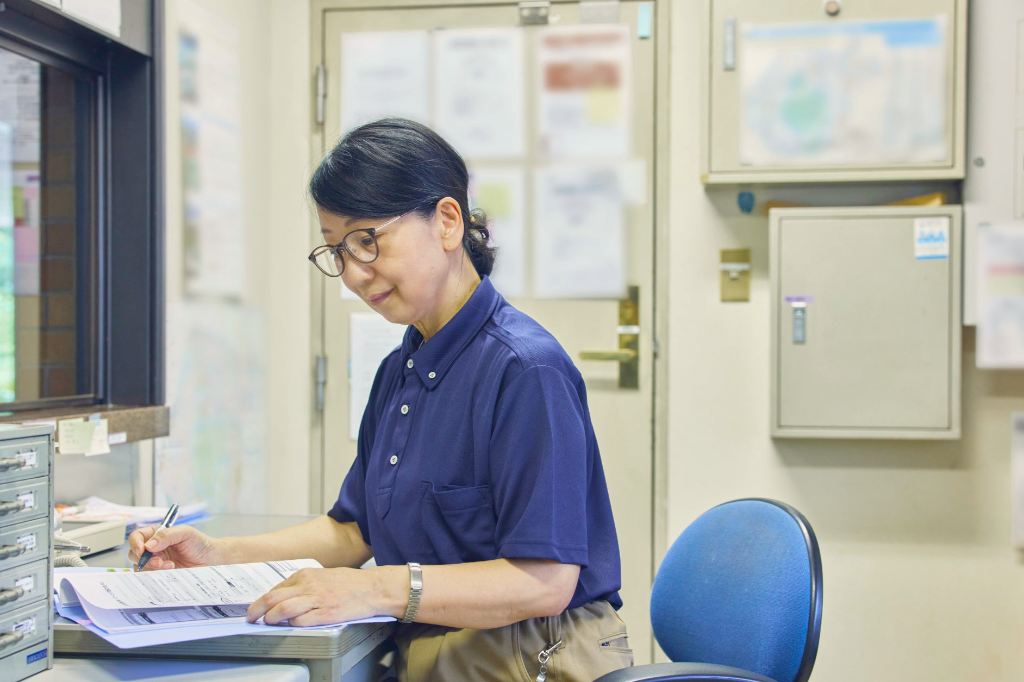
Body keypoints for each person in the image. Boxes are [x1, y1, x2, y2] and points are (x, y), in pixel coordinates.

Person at [128, 118, 631, 682]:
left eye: (368, 240)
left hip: (533, 653)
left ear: (446, 221)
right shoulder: (403, 366)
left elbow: (544, 580)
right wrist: (219, 554)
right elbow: (353, 532)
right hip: (436, 648)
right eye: (337, 250)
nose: (353, 273)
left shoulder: (524, 369)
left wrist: (372, 588)